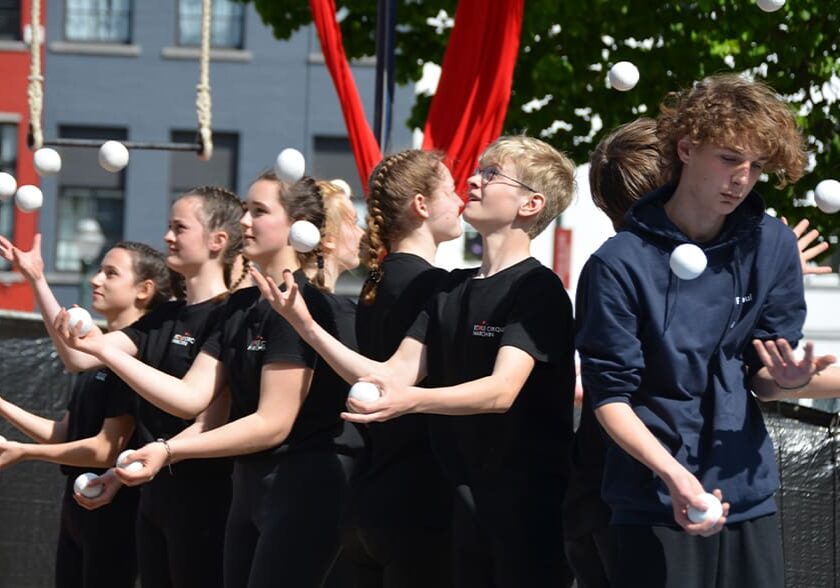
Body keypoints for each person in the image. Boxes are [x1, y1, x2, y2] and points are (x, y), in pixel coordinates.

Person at [252, 135, 578, 587]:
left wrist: (411, 399)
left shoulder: (538, 289)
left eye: (490, 174)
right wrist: (306, 325)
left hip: (524, 506)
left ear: (531, 204)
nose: (472, 180)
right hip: (458, 505)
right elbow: (388, 376)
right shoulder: (448, 289)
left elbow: (502, 391)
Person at [59, 173, 363, 588]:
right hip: (249, 486)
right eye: (245, 211)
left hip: (304, 484)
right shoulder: (239, 306)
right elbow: (193, 400)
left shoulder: (302, 304)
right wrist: (104, 352)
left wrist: (166, 450)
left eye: (259, 211)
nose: (245, 223)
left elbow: (272, 423)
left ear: (299, 225)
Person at [575, 74, 809, 587]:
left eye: (756, 166)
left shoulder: (772, 244)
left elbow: (760, 379)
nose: (742, 178)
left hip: (747, 490)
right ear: (686, 148)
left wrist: (785, 380)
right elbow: (610, 396)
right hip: (652, 497)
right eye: (729, 158)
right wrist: (677, 479)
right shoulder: (618, 264)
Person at [44, 186, 243, 588]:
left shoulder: (231, 313)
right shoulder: (166, 315)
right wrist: (38, 281)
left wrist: (102, 348)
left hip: (203, 497)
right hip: (152, 497)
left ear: (217, 241)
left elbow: (194, 404)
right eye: (169, 227)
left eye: (180, 228)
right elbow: (80, 358)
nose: (168, 236)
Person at [0, 239, 174, 588]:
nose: (96, 280)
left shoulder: (134, 362)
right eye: (98, 271)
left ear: (144, 290)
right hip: (77, 508)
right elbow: (66, 434)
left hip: (114, 513)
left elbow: (105, 450)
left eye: (111, 273)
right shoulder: (97, 357)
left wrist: (25, 453)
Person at [337, 150, 462, 588]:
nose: (461, 200)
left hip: (368, 494)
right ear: (421, 205)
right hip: (417, 498)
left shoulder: (376, 279)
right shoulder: (435, 286)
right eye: (450, 190)